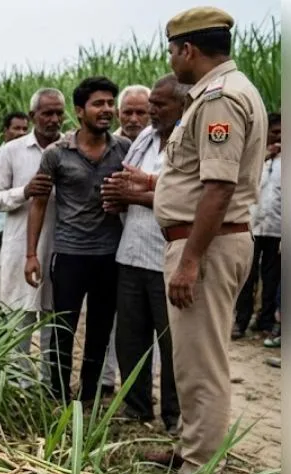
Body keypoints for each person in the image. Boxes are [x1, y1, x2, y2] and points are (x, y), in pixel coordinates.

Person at [111, 7, 266, 474]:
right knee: (191, 357)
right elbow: (196, 177)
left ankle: (201, 471)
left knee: (203, 362)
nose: (172, 58)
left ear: (188, 50)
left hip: (208, 246)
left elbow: (218, 190)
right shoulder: (214, 96)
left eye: (173, 50)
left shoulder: (219, 99)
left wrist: (192, 260)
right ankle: (192, 448)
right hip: (202, 242)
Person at [25, 76, 130, 404]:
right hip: (69, 256)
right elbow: (39, 202)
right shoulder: (57, 154)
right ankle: (57, 395)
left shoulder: (124, 150)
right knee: (62, 328)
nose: (107, 110)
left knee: (100, 329)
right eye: (99, 104)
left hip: (110, 256)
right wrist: (31, 254)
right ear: (79, 110)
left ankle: (89, 394)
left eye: (111, 103)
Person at [102, 74, 187, 433]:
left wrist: (135, 195)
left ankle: (173, 415)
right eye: (148, 105)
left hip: (167, 256)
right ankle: (137, 407)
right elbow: (126, 182)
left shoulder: (187, 143)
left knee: (172, 343)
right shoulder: (144, 141)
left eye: (158, 105)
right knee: (131, 338)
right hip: (131, 252)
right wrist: (119, 194)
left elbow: (185, 199)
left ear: (183, 105)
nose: (151, 112)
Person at [0, 88, 65, 383]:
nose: (54, 119)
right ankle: (19, 383)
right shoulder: (12, 151)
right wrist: (25, 192)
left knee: (52, 318)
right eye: (47, 113)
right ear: (33, 116)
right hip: (21, 247)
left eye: (59, 112)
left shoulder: (71, 147)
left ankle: (48, 384)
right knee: (20, 318)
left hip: (59, 247)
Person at [234, 111, 282, 338]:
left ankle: (265, 321)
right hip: (250, 226)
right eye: (274, 133)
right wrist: (265, 155)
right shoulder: (254, 156)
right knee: (246, 276)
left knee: (272, 277)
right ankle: (240, 321)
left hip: (277, 229)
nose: (279, 138)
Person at [0, 112, 29, 289]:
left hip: (24, 222)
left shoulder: (30, 154)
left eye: (25, 128)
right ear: (6, 131)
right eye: (16, 128)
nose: (21, 132)